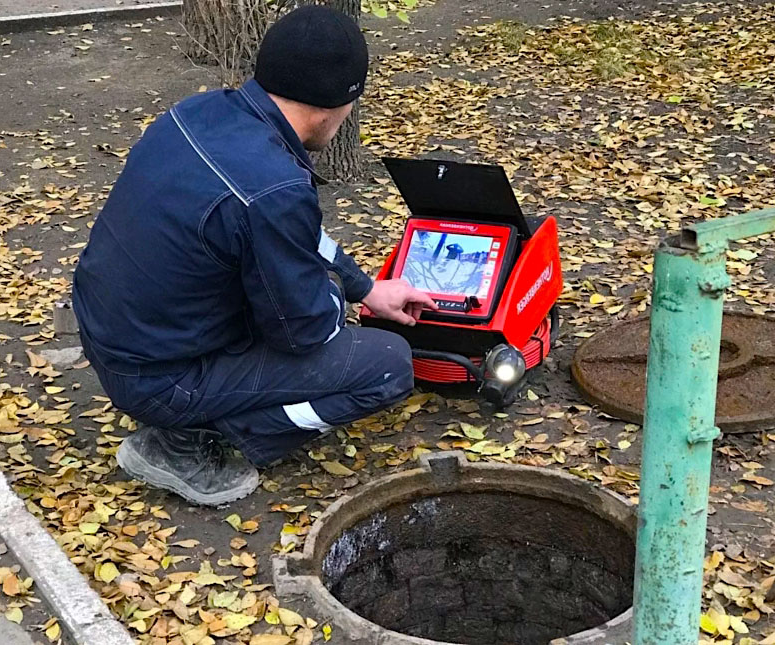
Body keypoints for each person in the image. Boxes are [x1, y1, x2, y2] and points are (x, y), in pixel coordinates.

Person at [72, 6, 436, 506]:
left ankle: (189, 414)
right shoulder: (274, 188)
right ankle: (192, 440)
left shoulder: (195, 113)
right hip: (159, 379)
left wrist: (368, 287)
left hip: (113, 337)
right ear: (337, 106)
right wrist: (333, 294)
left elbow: (295, 236)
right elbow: (303, 332)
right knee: (389, 366)